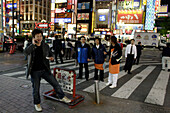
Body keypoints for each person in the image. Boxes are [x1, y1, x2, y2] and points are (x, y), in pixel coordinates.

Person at [24, 29, 71, 112]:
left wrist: (52, 58)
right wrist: (33, 45)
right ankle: (37, 103)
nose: (39, 38)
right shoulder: (30, 45)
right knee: (36, 88)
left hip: (45, 69)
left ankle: (62, 97)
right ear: (34, 37)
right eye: (37, 36)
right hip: (34, 71)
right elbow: (26, 52)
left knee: (55, 83)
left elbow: (50, 54)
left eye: (40, 36)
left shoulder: (45, 45)